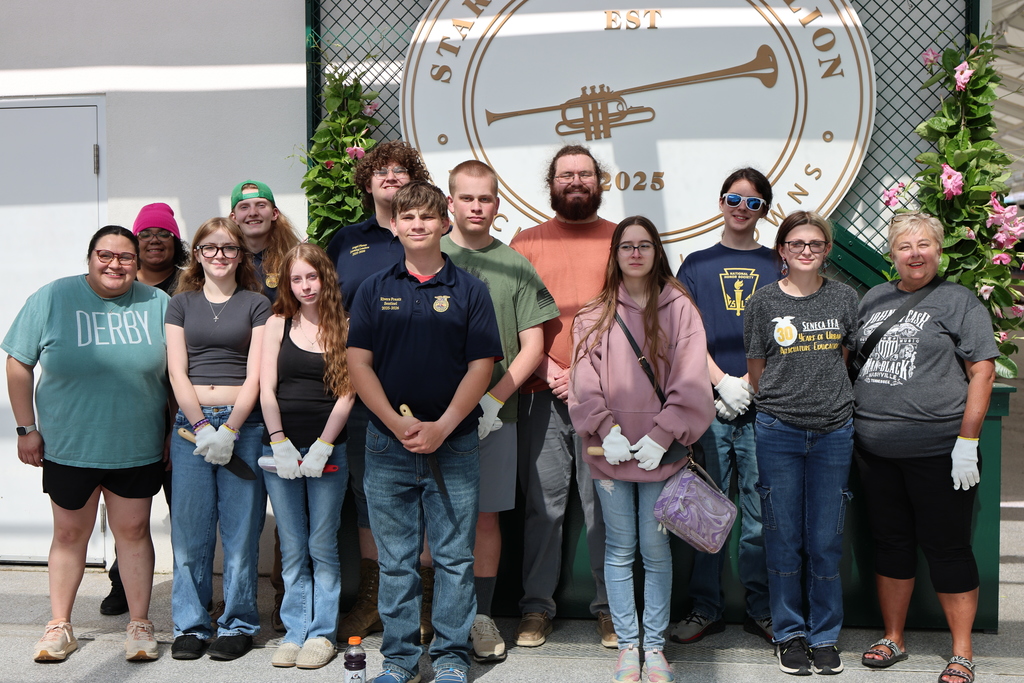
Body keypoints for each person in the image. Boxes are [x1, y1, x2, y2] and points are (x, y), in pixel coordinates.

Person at [347, 181, 501, 683]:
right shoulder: (374, 288)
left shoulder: (470, 290)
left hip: (453, 445)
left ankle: (452, 658)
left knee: (455, 558)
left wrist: (442, 426)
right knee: (395, 562)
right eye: (407, 216)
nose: (417, 224)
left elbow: (481, 367)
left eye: (427, 217)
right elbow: (357, 364)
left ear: (444, 223)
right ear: (394, 224)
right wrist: (397, 423)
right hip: (386, 445)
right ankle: (400, 662)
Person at [3, 226, 170, 662]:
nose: (115, 264)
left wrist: (174, 431)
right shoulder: (53, 297)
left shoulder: (158, 303)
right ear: (90, 257)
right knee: (70, 534)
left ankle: (139, 623)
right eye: (105, 255)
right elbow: (18, 362)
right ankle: (60, 625)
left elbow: (179, 373)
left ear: (137, 262)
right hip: (69, 444)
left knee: (133, 532)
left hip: (137, 444)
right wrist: (26, 428)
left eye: (125, 257)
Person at [852, 213, 997, 683]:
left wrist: (967, 441)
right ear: (891, 255)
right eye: (904, 246)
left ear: (939, 250)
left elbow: (982, 371)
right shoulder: (873, 299)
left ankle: (962, 651)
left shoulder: (960, 302)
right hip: (874, 452)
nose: (915, 253)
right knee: (890, 545)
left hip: (938, 451)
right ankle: (893, 637)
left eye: (924, 244)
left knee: (947, 548)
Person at [570, 216, 715, 683]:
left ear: (657, 251)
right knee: (618, 550)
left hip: (662, 453)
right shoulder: (593, 313)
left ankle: (655, 647)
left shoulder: (680, 308)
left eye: (644, 245)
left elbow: (691, 377)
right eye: (626, 246)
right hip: (609, 454)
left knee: (655, 550)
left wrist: (663, 433)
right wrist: (604, 428)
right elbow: (582, 380)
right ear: (614, 254)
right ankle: (627, 646)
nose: (635, 253)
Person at [441, 160, 559, 663]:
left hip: (495, 418)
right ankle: (442, 615)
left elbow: (533, 343)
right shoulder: (425, 254)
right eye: (466, 198)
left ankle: (481, 617)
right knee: (435, 520)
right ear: (450, 202)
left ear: (497, 204)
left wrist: (494, 399)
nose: (475, 206)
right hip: (430, 417)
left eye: (484, 198)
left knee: (485, 518)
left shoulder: (514, 263)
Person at [324, 140, 432, 642]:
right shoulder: (346, 241)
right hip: (362, 395)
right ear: (366, 182)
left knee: (430, 495)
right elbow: (319, 305)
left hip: (427, 394)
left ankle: (427, 604)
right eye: (381, 171)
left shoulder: (429, 236)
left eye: (401, 170)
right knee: (371, 498)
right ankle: (372, 598)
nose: (390, 176)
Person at [509, 144, 617, 648]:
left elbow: (638, 317)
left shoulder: (622, 241)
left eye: (585, 174)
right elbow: (511, 319)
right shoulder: (525, 243)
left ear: (601, 181)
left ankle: (611, 609)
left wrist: (583, 372)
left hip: (606, 397)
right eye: (566, 174)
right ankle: (535, 608)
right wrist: (551, 365)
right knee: (544, 505)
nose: (576, 181)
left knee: (603, 504)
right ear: (551, 183)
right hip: (541, 393)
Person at [743, 211, 858, 676]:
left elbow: (844, 358)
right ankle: (789, 633)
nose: (806, 250)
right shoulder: (764, 302)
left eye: (815, 244)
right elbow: (756, 369)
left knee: (826, 539)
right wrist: (784, 402)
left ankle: (825, 635)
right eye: (797, 244)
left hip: (834, 431)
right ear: (782, 251)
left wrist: (823, 398)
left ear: (826, 250)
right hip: (778, 431)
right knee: (782, 537)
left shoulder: (846, 298)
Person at [673, 168, 778, 645]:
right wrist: (721, 384)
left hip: (764, 408)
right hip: (708, 408)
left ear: (765, 211)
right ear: (720, 202)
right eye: (734, 198)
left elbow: (789, 336)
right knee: (705, 511)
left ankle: (762, 609)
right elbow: (681, 333)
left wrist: (751, 387)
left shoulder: (778, 263)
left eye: (753, 202)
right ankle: (705, 607)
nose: (742, 208)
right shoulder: (695, 264)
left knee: (759, 517)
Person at [165, 216, 271, 662]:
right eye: (211, 248)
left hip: (243, 427)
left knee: (242, 530)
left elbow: (258, 374)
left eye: (229, 248)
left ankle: (239, 622)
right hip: (191, 429)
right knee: (190, 531)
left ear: (240, 255)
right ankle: (190, 623)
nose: (220, 256)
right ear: (197, 254)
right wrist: (204, 427)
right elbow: (176, 370)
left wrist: (229, 428)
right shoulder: (180, 304)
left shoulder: (257, 303)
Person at [261, 244, 356, 669]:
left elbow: (348, 392)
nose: (305, 286)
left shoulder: (346, 326)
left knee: (322, 543)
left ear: (325, 277)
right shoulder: (276, 323)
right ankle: (295, 629)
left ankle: (321, 634)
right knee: (294, 544)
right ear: (288, 284)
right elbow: (266, 388)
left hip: (328, 450)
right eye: (296, 279)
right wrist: (279, 440)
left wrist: (324, 444)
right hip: (279, 448)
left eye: (311, 277)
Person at [94, 202, 188, 619]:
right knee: (127, 512)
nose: (154, 240)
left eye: (163, 233)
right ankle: (121, 581)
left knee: (183, 510)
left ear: (175, 241)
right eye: (146, 233)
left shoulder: (188, 285)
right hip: (130, 417)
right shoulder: (116, 287)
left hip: (180, 414)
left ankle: (191, 587)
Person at [229, 179, 300, 302]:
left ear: (274, 213)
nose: (253, 213)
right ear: (234, 217)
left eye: (261, 205)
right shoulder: (226, 261)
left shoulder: (294, 259)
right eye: (244, 207)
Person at [133, 202, 189, 293]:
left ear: (175, 243)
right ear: (135, 243)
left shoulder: (192, 284)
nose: (154, 240)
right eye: (145, 235)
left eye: (164, 234)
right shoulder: (123, 282)